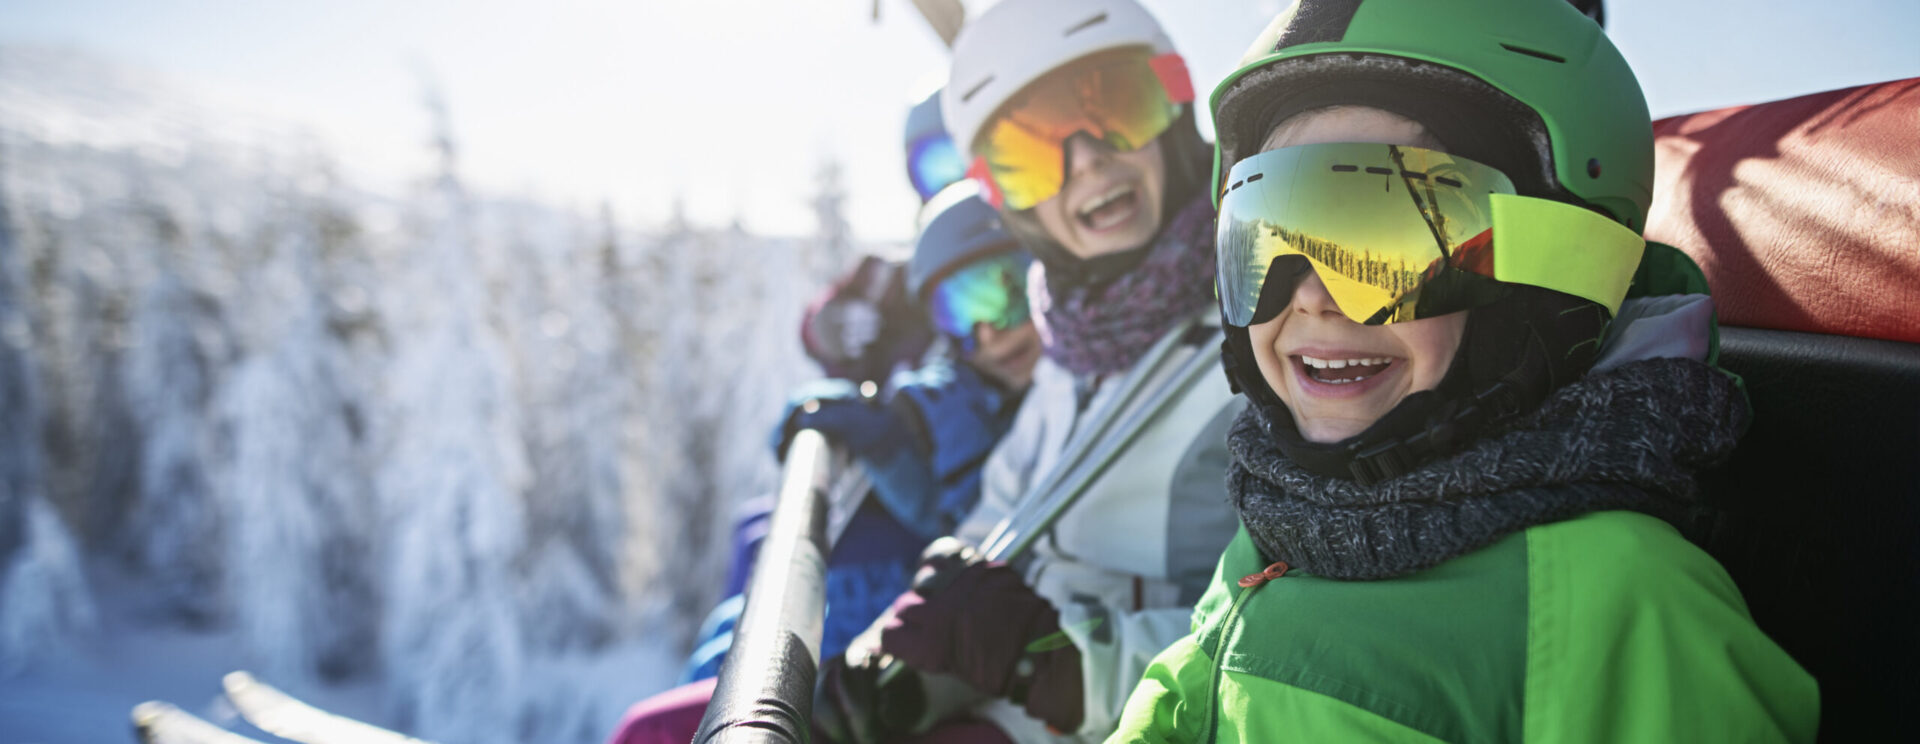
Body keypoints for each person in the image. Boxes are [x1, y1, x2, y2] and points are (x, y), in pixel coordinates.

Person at [1109, 0, 1819, 741]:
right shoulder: (1286, 519)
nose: (1312, 297)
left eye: (1385, 243)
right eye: (1264, 239)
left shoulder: (1621, 598)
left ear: (1546, 280)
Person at [813, 1, 1242, 742]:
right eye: (1030, 152)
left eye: (1118, 107)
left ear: (1173, 109)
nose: (1087, 162)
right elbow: (1002, 510)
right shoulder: (1070, 345)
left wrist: (1062, 667)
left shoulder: (1261, 330)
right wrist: (935, 615)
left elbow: (1299, 618)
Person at [607, 185, 1042, 744]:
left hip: (915, 634)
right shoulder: (952, 385)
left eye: (1008, 294)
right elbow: (826, 319)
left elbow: (981, 527)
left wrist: (894, 450)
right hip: (881, 612)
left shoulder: (1051, 400)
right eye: (960, 310)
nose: (990, 329)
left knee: (651, 732)